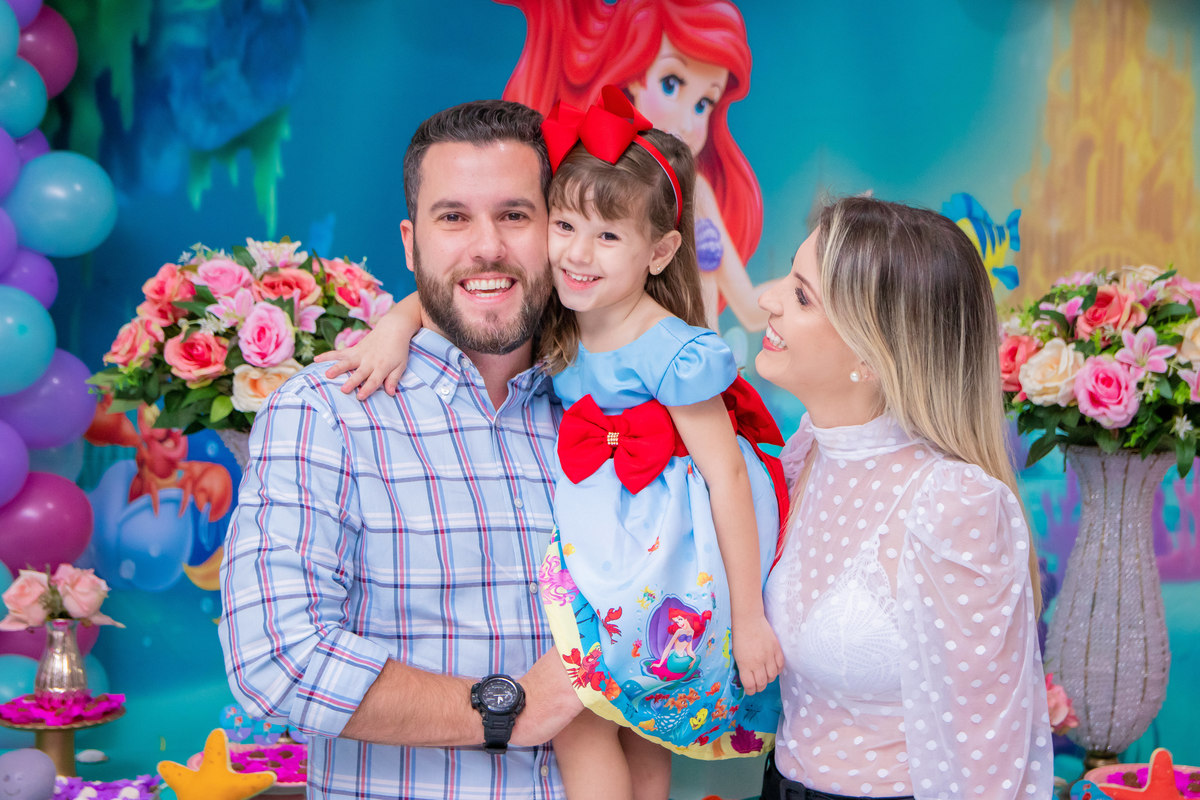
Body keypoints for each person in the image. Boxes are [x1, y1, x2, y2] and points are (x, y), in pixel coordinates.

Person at [317, 89, 785, 800]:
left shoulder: (669, 348)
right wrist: (395, 323)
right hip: (605, 534)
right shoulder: (561, 315)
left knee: (613, 717)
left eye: (607, 236)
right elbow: (456, 290)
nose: (576, 253)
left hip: (666, 553)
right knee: (595, 714)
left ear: (659, 251)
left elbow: (724, 476)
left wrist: (749, 620)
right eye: (564, 224)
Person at [218, 99, 584, 800]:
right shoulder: (325, 414)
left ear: (560, 233)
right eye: (454, 218)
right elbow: (279, 659)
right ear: (411, 244)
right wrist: (509, 709)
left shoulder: (608, 416)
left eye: (515, 214)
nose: (487, 247)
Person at [756, 196, 1052, 799]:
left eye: (803, 295)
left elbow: (987, 757)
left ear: (872, 351)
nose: (768, 297)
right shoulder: (805, 452)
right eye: (789, 275)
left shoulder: (953, 503)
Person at [499, 0, 773, 332]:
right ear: (636, 78)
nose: (687, 121)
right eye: (671, 84)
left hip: (691, 363)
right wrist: (415, 313)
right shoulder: (580, 177)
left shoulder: (695, 191)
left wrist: (815, 292)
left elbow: (748, 306)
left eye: (704, 104)